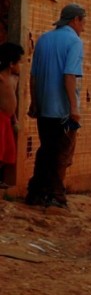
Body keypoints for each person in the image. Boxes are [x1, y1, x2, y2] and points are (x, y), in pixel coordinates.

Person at [25, 3, 86, 208]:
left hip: (44, 107)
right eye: (82, 21)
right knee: (61, 152)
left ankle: (36, 193)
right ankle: (55, 196)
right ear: (75, 20)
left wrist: (34, 101)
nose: (83, 27)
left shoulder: (43, 39)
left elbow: (33, 76)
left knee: (47, 149)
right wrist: (74, 108)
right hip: (63, 110)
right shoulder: (74, 42)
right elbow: (69, 75)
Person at [0, 43, 24, 189]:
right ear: (11, 64)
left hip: (8, 120)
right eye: (19, 62)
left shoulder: (14, 79)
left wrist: (14, 120)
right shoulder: (1, 79)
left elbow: (13, 101)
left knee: (7, 151)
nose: (20, 65)